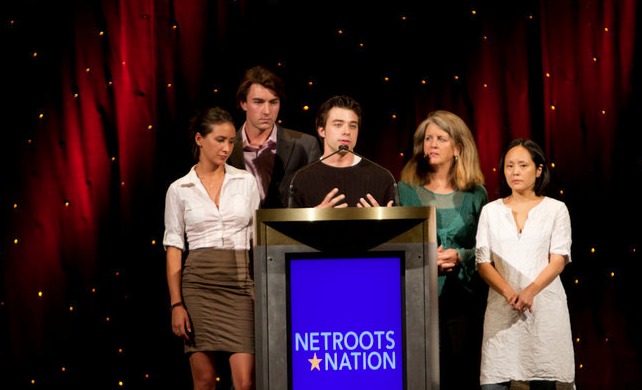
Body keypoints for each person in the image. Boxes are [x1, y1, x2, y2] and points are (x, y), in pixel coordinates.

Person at [163, 107, 260, 390]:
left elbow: (258, 239)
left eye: (231, 141)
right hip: (198, 288)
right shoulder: (179, 189)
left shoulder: (245, 181)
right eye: (220, 140)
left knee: (245, 381)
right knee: (204, 382)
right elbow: (173, 248)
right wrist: (176, 304)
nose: (227, 148)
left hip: (240, 287)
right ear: (199, 139)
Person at [397, 110, 488, 389]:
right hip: (418, 299)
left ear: (458, 148)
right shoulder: (405, 190)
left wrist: (461, 255)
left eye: (441, 139)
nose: (432, 145)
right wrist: (425, 259)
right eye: (428, 139)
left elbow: (487, 248)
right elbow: (396, 244)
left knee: (460, 374)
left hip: (463, 299)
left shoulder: (476, 194)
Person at [475, 138, 575, 389]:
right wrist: (510, 293)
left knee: (543, 376)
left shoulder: (556, 209)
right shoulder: (491, 211)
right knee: (494, 380)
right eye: (509, 166)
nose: (515, 172)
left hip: (543, 309)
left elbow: (559, 259)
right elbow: (482, 261)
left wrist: (530, 292)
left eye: (522, 165)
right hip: (502, 308)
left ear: (538, 170)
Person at [228, 65, 322, 208]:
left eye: (273, 102)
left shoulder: (306, 145)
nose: (267, 111)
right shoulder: (226, 147)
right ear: (243, 103)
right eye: (258, 102)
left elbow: (314, 197)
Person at [287, 95, 397, 208]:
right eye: (338, 124)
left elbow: (398, 224)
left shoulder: (383, 177)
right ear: (322, 130)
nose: (347, 131)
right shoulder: (300, 179)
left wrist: (382, 221)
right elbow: (289, 225)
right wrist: (313, 217)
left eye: (353, 126)